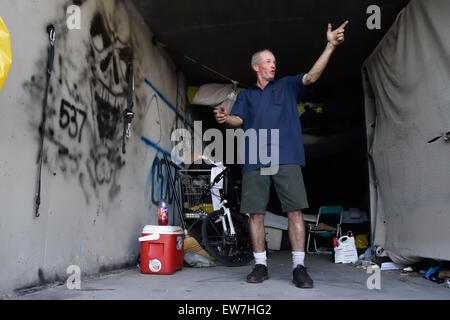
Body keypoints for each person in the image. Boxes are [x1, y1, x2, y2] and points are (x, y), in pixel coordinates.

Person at [214, 21, 349, 288]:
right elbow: (238, 120)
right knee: (255, 214)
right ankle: (260, 265)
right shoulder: (246, 96)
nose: (273, 64)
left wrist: (330, 46)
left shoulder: (287, 85)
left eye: (274, 61)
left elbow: (311, 76)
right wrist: (225, 117)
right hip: (255, 160)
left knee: (295, 212)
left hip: (286, 157)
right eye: (268, 61)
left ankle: (299, 268)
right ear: (256, 67)